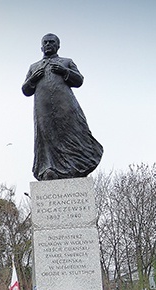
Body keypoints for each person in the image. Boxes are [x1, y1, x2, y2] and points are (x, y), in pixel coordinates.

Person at [22, 33, 103, 181]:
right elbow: (25, 90)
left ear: (58, 45)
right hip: (43, 108)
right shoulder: (34, 67)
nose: (48, 45)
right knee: (46, 136)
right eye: (45, 42)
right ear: (41, 47)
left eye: (51, 42)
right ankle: (48, 168)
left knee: (72, 133)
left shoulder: (66, 62)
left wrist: (64, 71)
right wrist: (33, 79)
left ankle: (75, 165)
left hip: (65, 106)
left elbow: (79, 80)